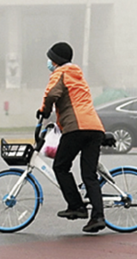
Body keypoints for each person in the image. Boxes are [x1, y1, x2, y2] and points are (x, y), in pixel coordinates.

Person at [38, 41, 107, 233]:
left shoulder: (59, 73)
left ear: (56, 60)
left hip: (76, 127)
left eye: (50, 58)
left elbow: (51, 94)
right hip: (94, 127)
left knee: (60, 166)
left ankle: (76, 206)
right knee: (89, 174)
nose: (49, 62)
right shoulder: (78, 76)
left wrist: (44, 111)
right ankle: (98, 217)